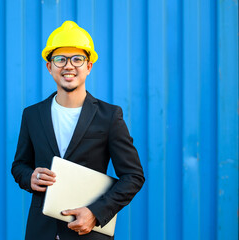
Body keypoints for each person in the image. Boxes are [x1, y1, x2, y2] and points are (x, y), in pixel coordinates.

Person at [11, 21, 145, 240]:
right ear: (49, 66)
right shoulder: (32, 115)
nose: (68, 66)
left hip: (88, 233)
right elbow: (19, 166)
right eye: (60, 59)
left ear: (89, 66)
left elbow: (133, 176)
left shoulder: (109, 116)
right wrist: (30, 177)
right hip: (41, 231)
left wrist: (96, 213)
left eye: (77, 59)